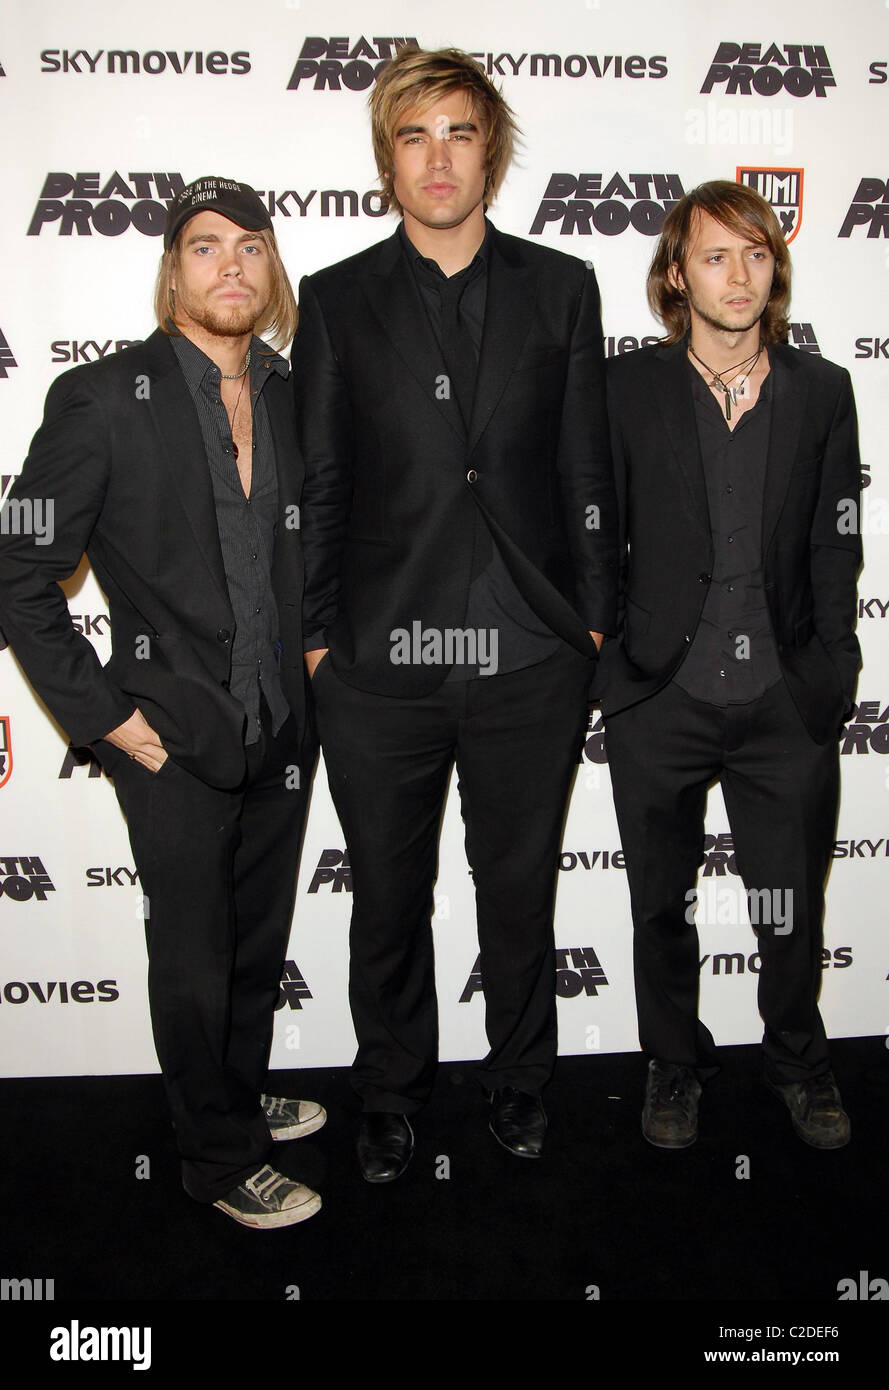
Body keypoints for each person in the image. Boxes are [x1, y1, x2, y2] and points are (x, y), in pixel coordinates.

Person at [293, 47, 617, 1181]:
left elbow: (586, 464)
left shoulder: (560, 286)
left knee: (519, 889)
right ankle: (389, 1090)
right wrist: (320, 640)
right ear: (388, 156)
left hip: (532, 652)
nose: (439, 158)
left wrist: (590, 626)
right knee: (386, 892)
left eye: (460, 133)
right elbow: (321, 480)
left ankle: (519, 1081)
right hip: (381, 660)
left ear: (494, 150)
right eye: (415, 135)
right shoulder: (334, 299)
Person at [0, 176, 325, 1226]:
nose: (231, 264)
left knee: (252, 940)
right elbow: (17, 568)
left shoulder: (290, 390)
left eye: (250, 246)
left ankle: (233, 1092)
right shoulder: (103, 399)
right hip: (171, 733)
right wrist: (104, 720)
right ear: (171, 270)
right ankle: (216, 1159)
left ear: (271, 270)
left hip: (282, 724)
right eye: (204, 246)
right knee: (191, 954)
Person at [598, 180, 861, 1150]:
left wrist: (831, 670)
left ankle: (797, 1058)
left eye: (755, 254)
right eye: (715, 255)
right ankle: (673, 1061)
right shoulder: (625, 390)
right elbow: (591, 536)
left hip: (782, 700)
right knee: (658, 903)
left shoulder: (822, 391)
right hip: (658, 698)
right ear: (677, 274)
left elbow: (837, 543)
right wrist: (607, 660)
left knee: (788, 907)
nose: (738, 274)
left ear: (774, 269)